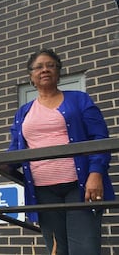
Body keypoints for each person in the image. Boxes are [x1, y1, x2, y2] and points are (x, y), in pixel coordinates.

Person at [8, 48, 115, 255]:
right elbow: (15, 149)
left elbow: (100, 138)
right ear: (31, 76)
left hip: (81, 186)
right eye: (38, 67)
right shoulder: (23, 112)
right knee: (57, 250)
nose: (45, 70)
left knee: (84, 249)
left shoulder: (80, 100)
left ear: (58, 72)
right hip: (42, 190)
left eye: (50, 65)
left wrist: (95, 173)